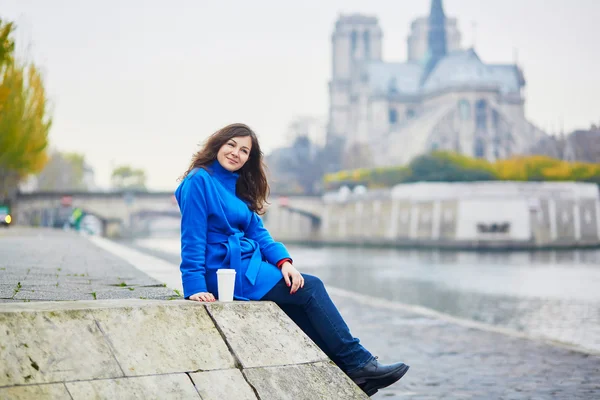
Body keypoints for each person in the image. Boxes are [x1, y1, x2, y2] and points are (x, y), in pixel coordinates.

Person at [175, 123, 409, 396]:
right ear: (218, 144)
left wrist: (284, 263)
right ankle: (359, 362)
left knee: (299, 298)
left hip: (247, 267)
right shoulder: (198, 181)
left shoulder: (239, 187)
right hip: (223, 271)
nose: (236, 153)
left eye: (244, 150)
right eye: (231, 145)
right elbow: (192, 237)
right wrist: (194, 287)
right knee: (311, 288)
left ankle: (351, 373)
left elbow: (259, 234)